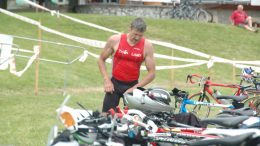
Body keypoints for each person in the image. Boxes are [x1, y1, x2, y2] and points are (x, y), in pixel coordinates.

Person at [98, 18, 156, 112]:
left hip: (132, 85)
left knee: (133, 119)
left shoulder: (147, 46)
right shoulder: (115, 40)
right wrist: (107, 81)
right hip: (114, 84)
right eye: (135, 34)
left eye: (140, 35)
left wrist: (135, 88)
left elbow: (152, 73)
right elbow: (101, 59)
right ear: (130, 29)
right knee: (106, 116)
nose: (136, 38)